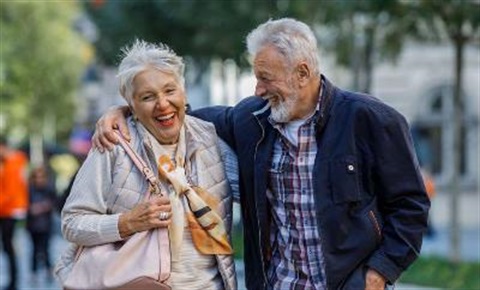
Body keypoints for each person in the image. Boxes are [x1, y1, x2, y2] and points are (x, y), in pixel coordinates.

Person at [93, 18, 430, 290]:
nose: (257, 89)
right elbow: (177, 113)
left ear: (302, 73)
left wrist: (379, 273)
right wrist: (123, 110)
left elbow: (410, 206)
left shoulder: (371, 119)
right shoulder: (251, 118)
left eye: (266, 78)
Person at [55, 40, 237, 289]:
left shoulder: (211, 139)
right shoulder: (113, 145)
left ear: (183, 91)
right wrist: (127, 222)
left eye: (170, 91)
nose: (162, 104)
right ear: (132, 104)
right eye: (147, 97)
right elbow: (72, 223)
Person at [0, 136, 29, 290]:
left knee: (10, 248)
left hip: (9, 211)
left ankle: (13, 283)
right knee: (10, 247)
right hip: (12, 210)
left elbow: (9, 193)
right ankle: (13, 282)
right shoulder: (17, 161)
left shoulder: (11, 164)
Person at [26, 165, 57, 284]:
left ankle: (48, 271)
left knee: (46, 249)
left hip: (46, 225)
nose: (39, 179)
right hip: (33, 226)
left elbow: (55, 202)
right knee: (33, 250)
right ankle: (34, 273)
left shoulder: (49, 188)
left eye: (41, 177)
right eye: (36, 177)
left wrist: (43, 207)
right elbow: (25, 205)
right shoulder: (29, 189)